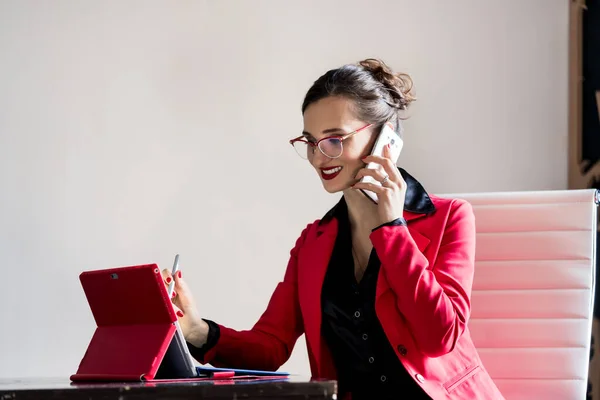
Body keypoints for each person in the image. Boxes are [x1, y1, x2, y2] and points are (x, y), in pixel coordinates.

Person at [162, 58, 505, 400]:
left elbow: (439, 337)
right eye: (310, 142)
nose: (318, 157)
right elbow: (271, 345)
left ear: (385, 140)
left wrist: (392, 228)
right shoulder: (313, 242)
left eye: (335, 139)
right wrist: (196, 330)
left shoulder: (451, 218)